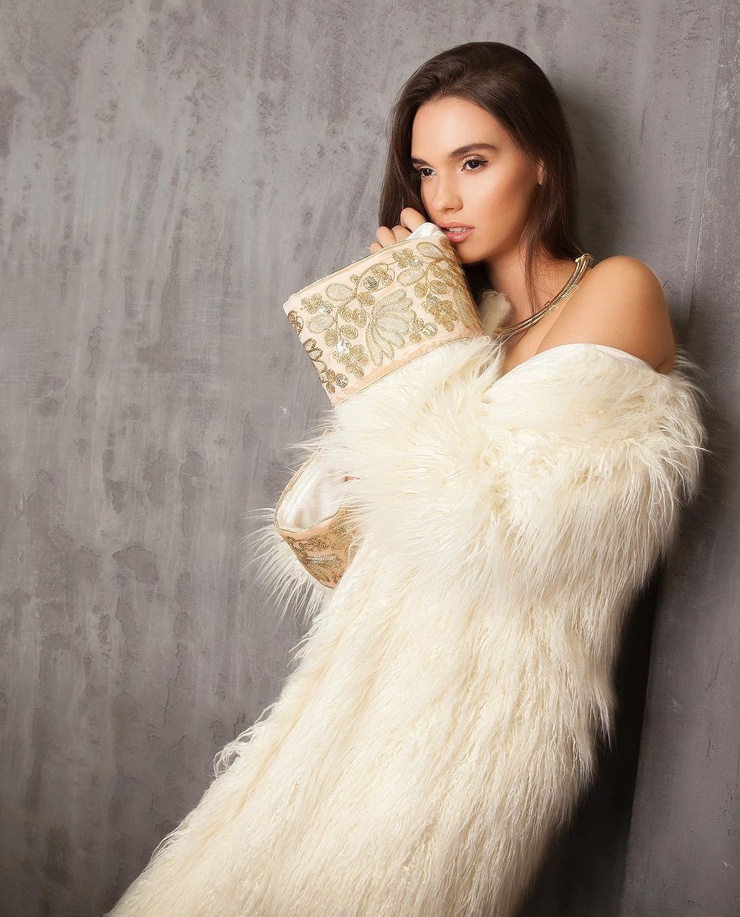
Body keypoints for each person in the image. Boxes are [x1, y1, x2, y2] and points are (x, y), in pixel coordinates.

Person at [109, 42, 704, 917]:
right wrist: (415, 317)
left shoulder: (617, 290)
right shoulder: (476, 320)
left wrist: (405, 325)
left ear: (542, 161)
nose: (444, 198)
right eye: (426, 171)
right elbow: (332, 538)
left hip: (468, 735)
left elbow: (483, 532)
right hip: (344, 705)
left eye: (474, 162)